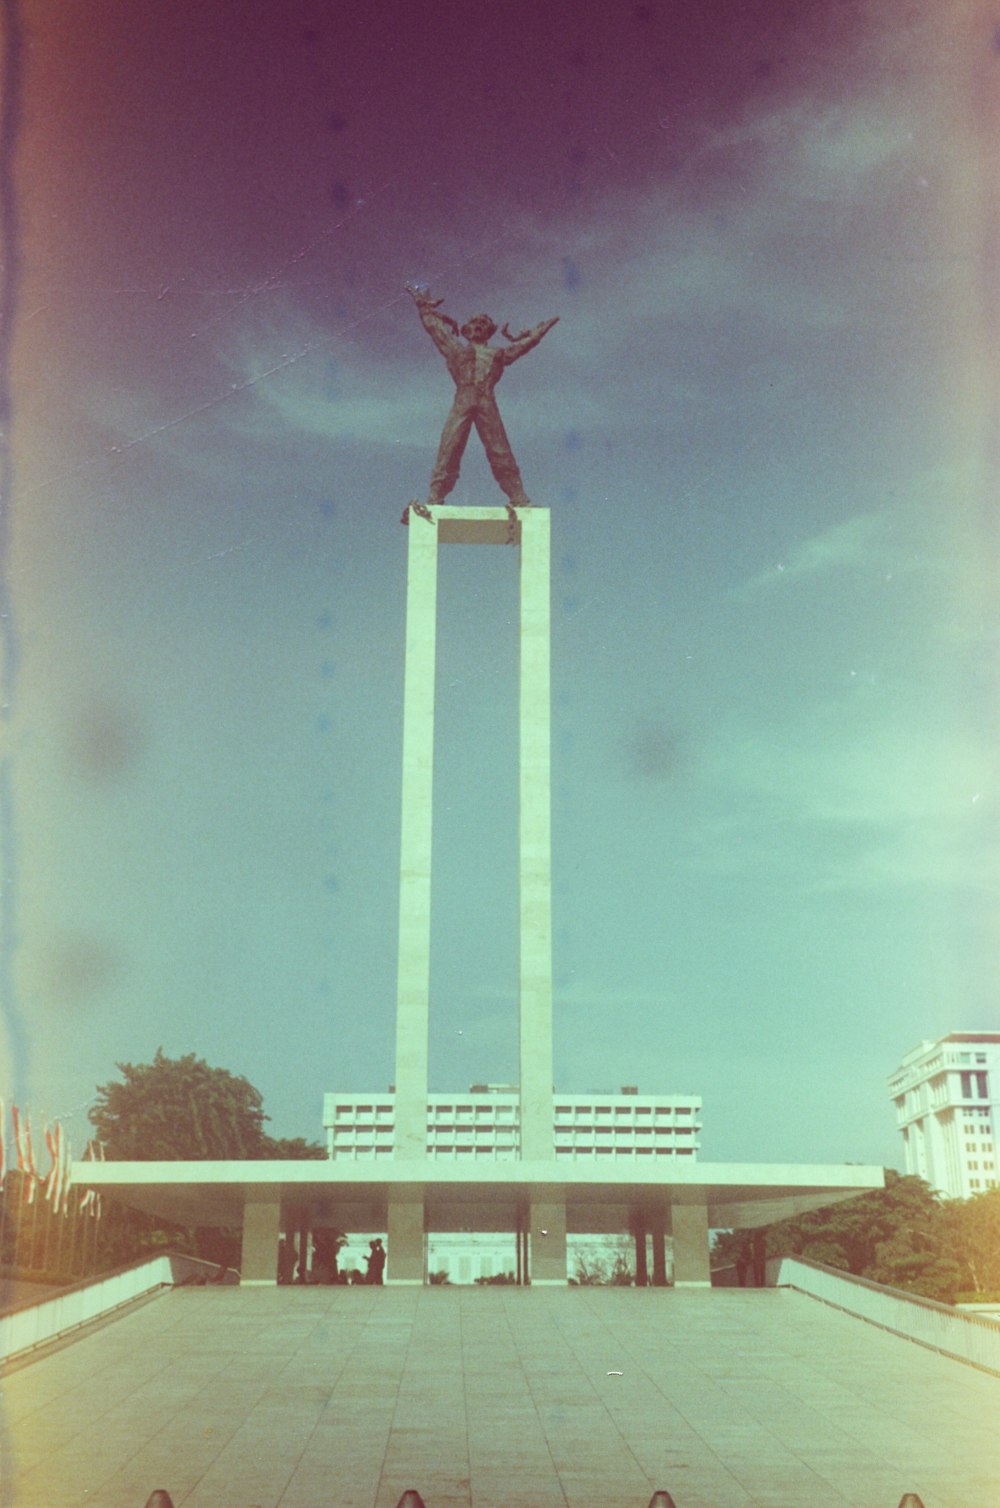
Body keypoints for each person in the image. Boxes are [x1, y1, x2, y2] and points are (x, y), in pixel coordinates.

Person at [404, 284, 558, 520]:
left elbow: (521, 347)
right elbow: (434, 328)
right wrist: (423, 306)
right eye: (474, 324)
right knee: (450, 446)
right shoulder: (455, 349)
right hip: (463, 399)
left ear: (489, 331)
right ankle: (435, 497)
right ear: (466, 331)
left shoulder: (497, 354)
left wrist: (538, 333)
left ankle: (518, 497)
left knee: (500, 450)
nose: (477, 327)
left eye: (482, 325)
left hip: (487, 400)